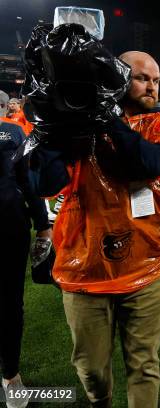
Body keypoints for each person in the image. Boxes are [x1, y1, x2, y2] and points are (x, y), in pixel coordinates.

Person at [29, 51, 160, 408]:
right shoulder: (82, 125)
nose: (152, 85)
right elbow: (45, 182)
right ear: (116, 78)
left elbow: (145, 163)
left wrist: (106, 117)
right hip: (84, 268)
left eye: (155, 78)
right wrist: (53, 129)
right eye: (142, 78)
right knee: (91, 369)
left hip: (146, 266)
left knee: (144, 365)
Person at [0, 117, 51, 408]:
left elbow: (27, 179)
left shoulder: (11, 132)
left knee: (9, 304)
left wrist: (43, 226)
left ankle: (10, 374)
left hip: (8, 227)